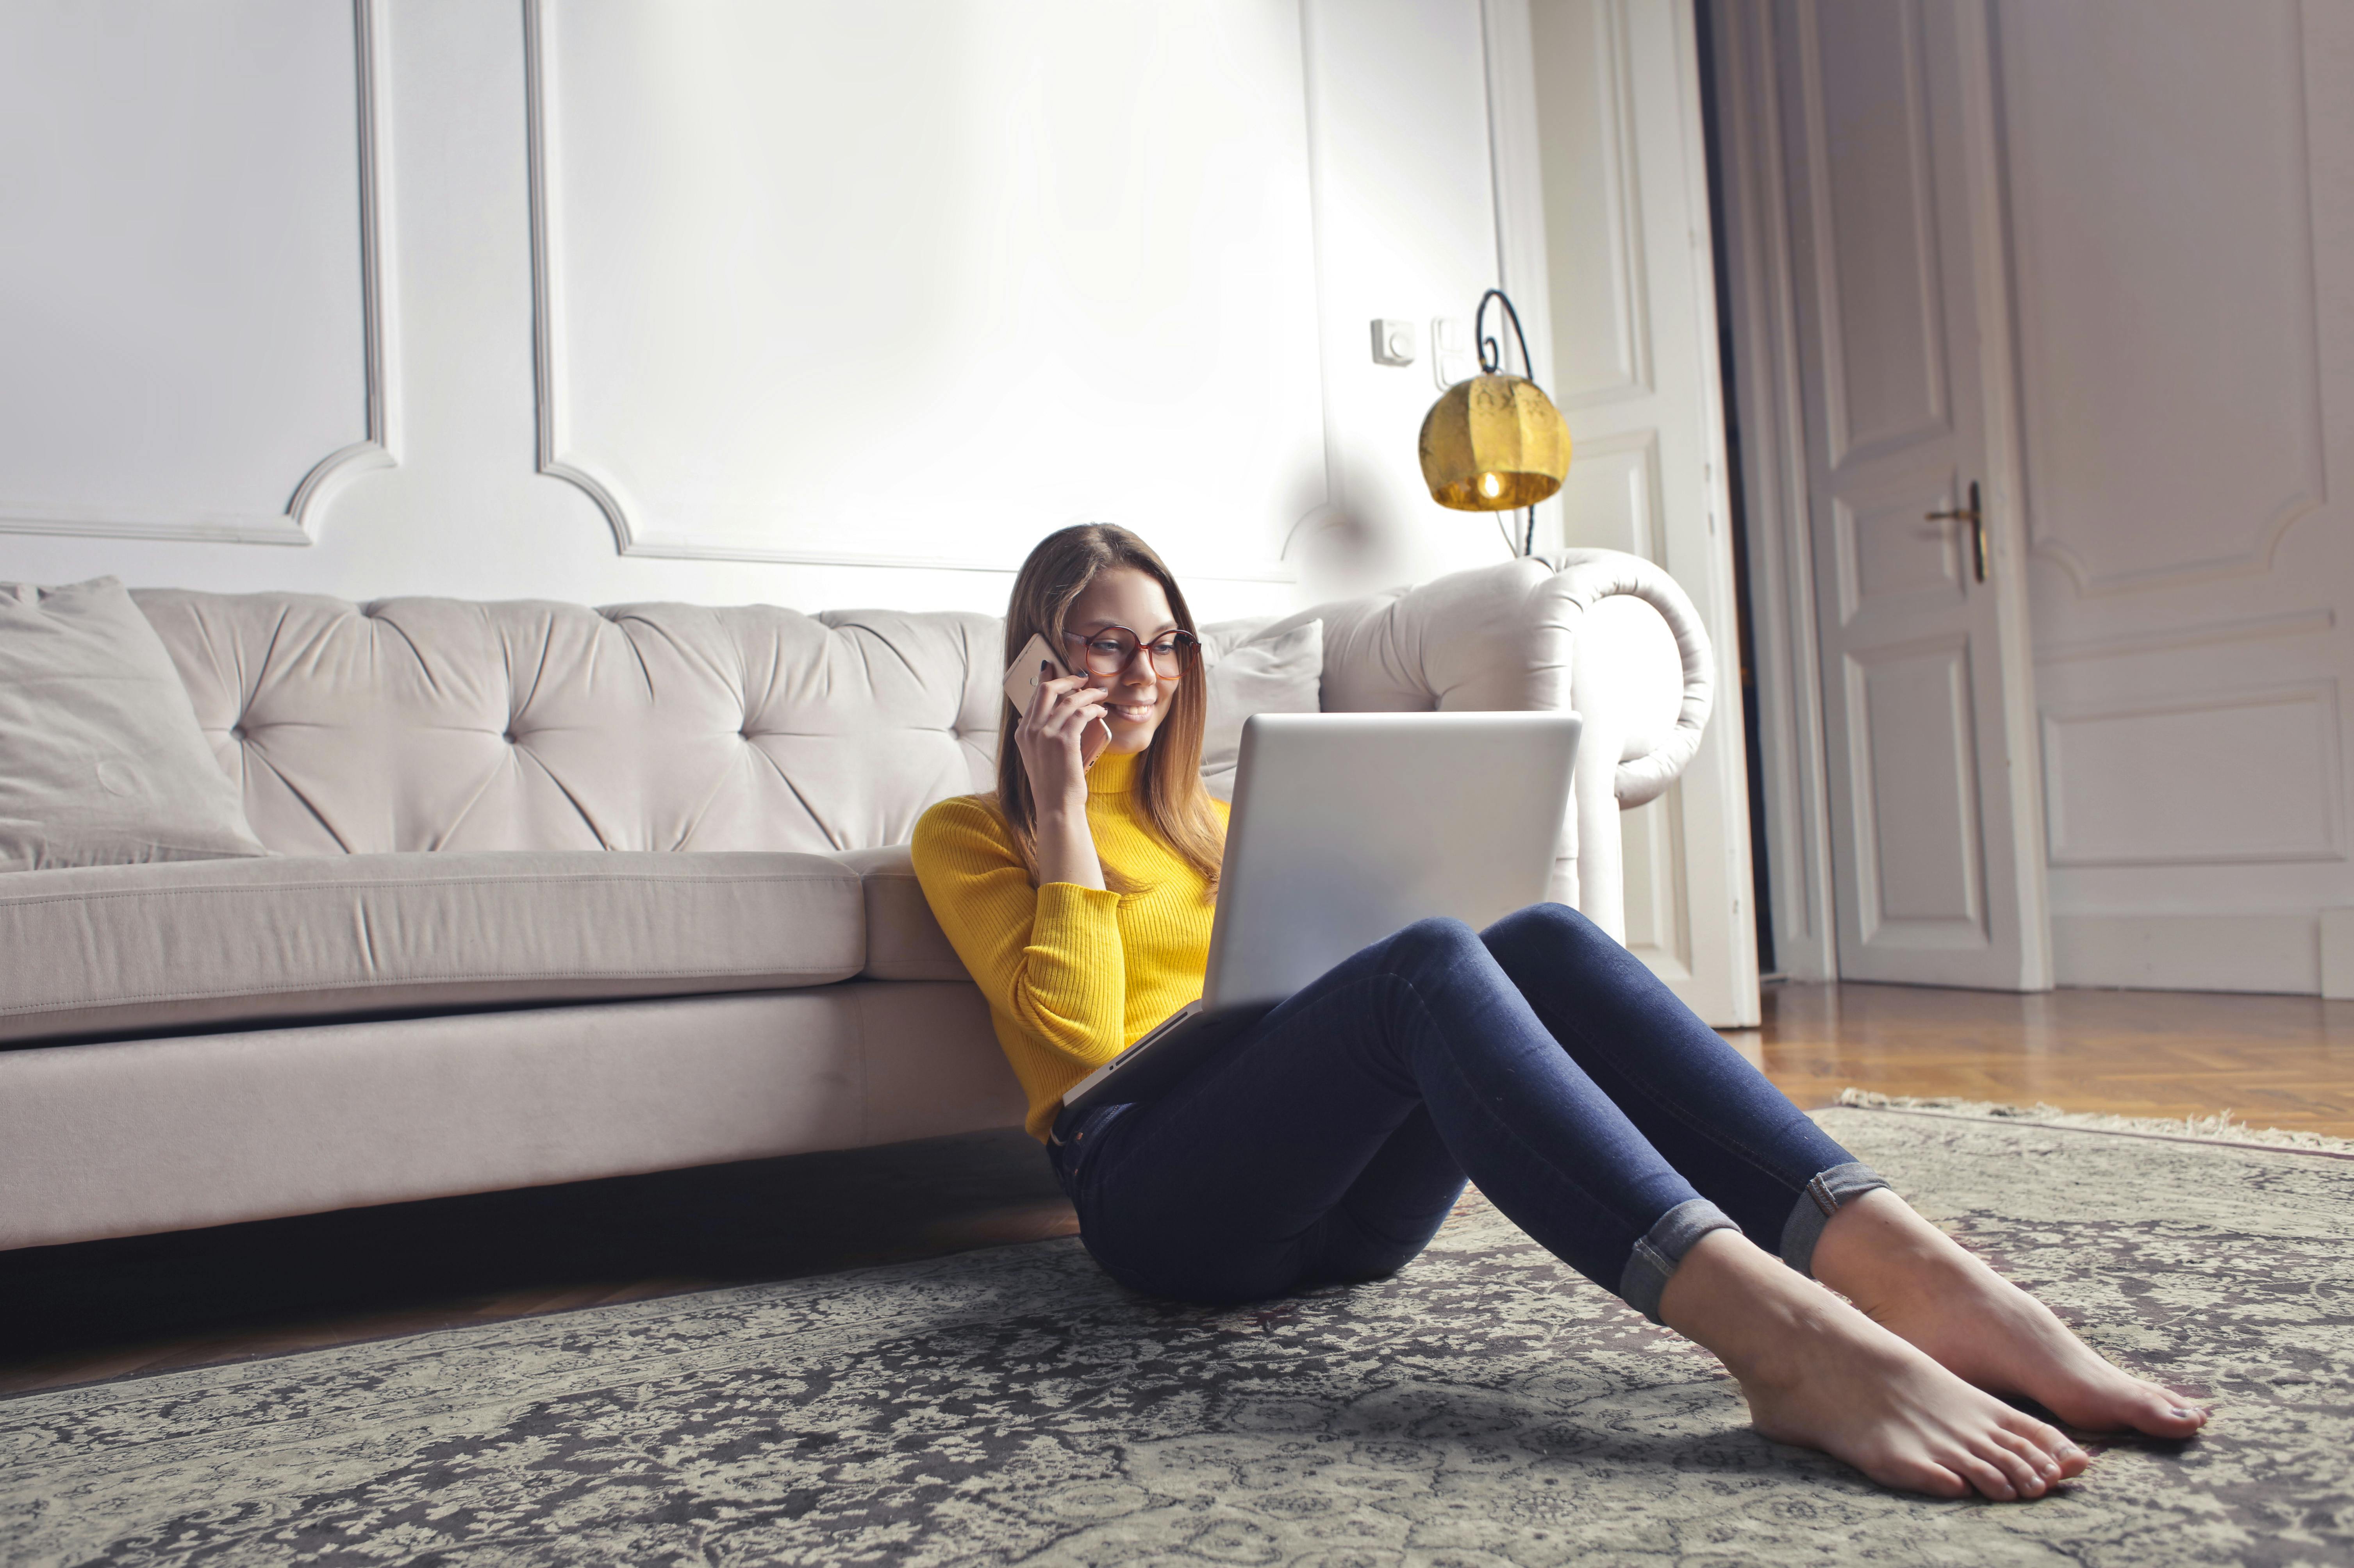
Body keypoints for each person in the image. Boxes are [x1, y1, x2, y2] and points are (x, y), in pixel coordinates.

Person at [911, 523, 2207, 1502]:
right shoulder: (971, 836)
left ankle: (1917, 1276)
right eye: (1102, 642)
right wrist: (1063, 807)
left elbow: (1328, 1008)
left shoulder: (1226, 826)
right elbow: (1077, 1042)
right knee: (1423, 958)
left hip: (1346, 1221)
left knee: (1533, 936)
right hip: (1159, 1203)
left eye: (1164, 641)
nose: (1143, 670)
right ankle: (1787, 1340)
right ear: (1038, 658)